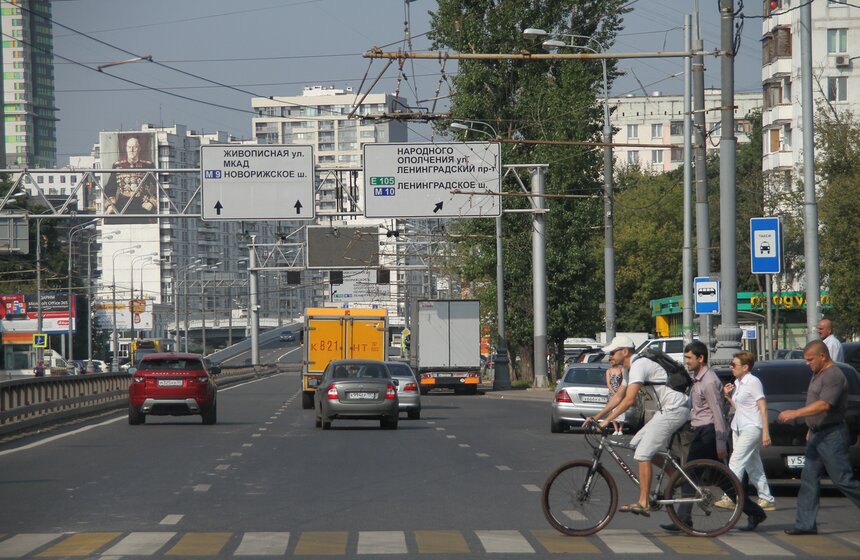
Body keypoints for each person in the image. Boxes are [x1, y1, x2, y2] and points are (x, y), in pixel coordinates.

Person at [588, 335, 690, 516]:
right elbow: (618, 396)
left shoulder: (639, 365)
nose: (610, 357)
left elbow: (629, 400)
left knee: (643, 453)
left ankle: (644, 502)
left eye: (613, 352)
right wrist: (596, 417)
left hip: (675, 409)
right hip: (665, 410)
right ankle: (676, 476)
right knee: (636, 445)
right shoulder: (629, 369)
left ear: (624, 351)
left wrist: (606, 421)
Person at [778, 340, 860, 535]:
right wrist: (811, 426)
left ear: (823, 356)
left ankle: (805, 524)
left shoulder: (834, 375)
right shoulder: (818, 373)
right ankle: (805, 525)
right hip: (817, 433)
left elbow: (824, 405)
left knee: (843, 480)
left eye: (810, 360)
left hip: (832, 435)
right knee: (809, 479)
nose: (808, 364)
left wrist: (796, 413)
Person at [660, 340, 730, 532]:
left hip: (709, 432)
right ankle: (753, 511)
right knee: (720, 478)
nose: (687, 361)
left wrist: (720, 443)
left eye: (689, 358)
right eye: (685, 357)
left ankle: (683, 519)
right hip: (700, 430)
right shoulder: (698, 380)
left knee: (690, 473)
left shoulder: (709, 381)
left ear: (701, 358)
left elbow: (718, 413)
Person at [717, 351, 773, 529]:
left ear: (745, 367)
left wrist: (765, 432)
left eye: (734, 365)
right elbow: (740, 407)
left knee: (736, 461)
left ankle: (729, 496)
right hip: (739, 427)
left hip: (752, 427)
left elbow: (763, 407)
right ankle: (766, 497)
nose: (731, 367)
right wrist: (728, 397)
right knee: (752, 464)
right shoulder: (737, 382)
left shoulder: (753, 381)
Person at [105, 135, 157, 217]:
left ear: (139, 148)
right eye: (129, 147)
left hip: (142, 206)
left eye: (134, 147)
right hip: (122, 205)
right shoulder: (117, 166)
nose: (131, 150)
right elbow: (110, 188)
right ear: (126, 148)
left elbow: (157, 186)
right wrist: (110, 205)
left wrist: (152, 203)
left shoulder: (148, 166)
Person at [605, 357, 626, 436]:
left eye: (613, 360)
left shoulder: (621, 370)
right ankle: (615, 429)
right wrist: (614, 392)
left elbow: (624, 381)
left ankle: (620, 429)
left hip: (621, 392)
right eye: (610, 360)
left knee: (621, 410)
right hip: (612, 393)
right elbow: (608, 383)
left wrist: (620, 391)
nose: (611, 361)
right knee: (612, 411)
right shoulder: (608, 371)